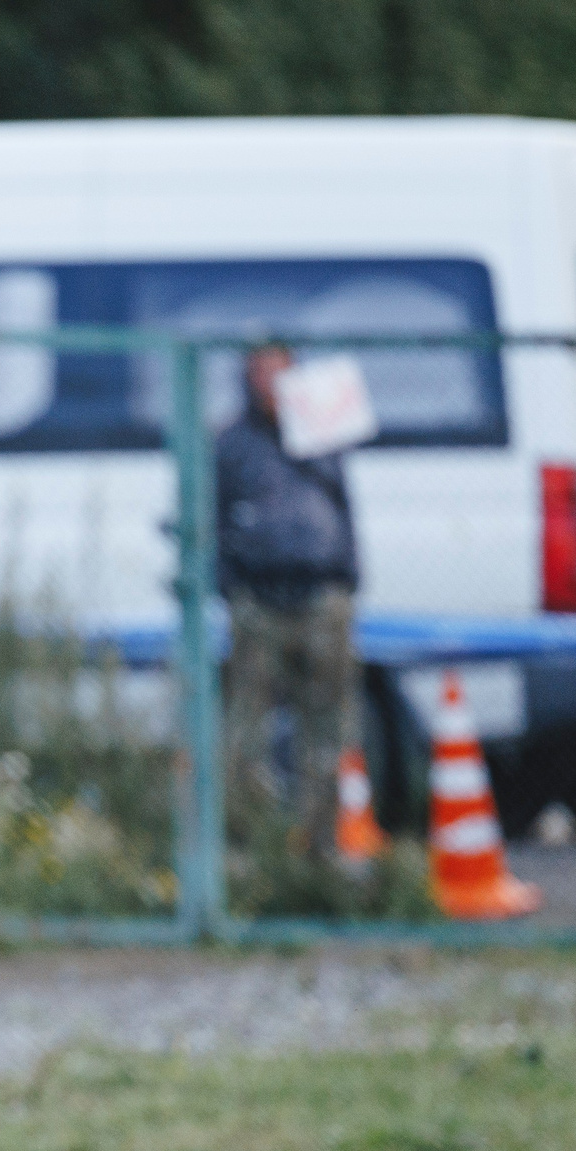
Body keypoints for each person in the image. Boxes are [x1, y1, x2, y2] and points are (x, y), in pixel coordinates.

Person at [215, 342, 362, 862]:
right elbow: (210, 520)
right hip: (259, 601)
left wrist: (347, 578)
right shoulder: (230, 444)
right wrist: (231, 584)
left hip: (322, 596)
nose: (270, 383)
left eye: (280, 372)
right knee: (244, 737)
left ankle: (320, 852)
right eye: (259, 372)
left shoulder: (322, 436)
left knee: (328, 733)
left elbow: (344, 509)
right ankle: (256, 853)